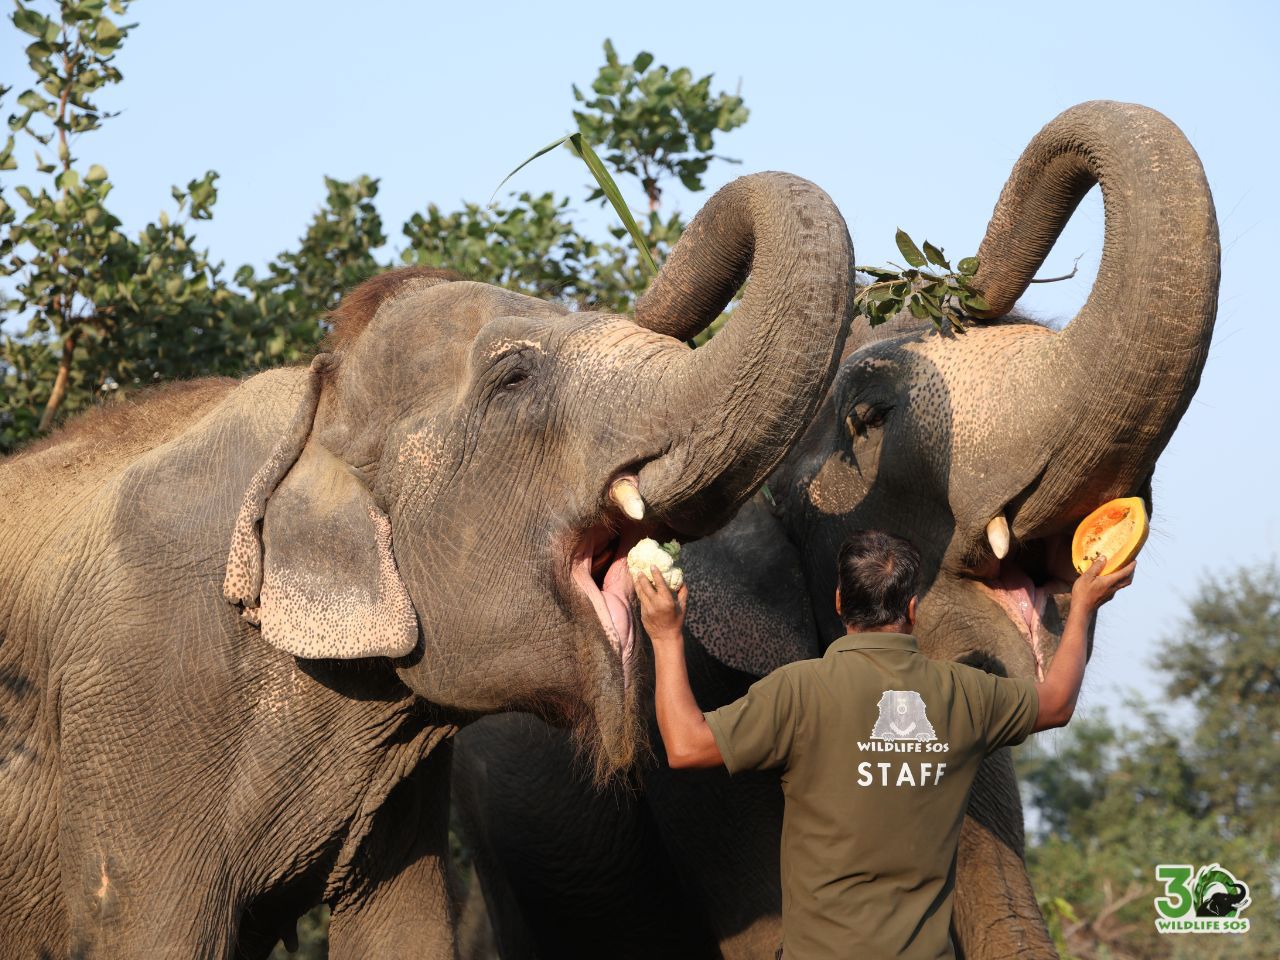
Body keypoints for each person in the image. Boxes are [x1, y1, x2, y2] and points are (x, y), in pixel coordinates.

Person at [636, 528, 1135, 960]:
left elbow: (684, 745)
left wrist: (664, 636)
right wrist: (1083, 606)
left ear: (839, 603)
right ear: (913, 609)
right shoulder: (962, 694)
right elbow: (1056, 704)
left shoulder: (799, 692)